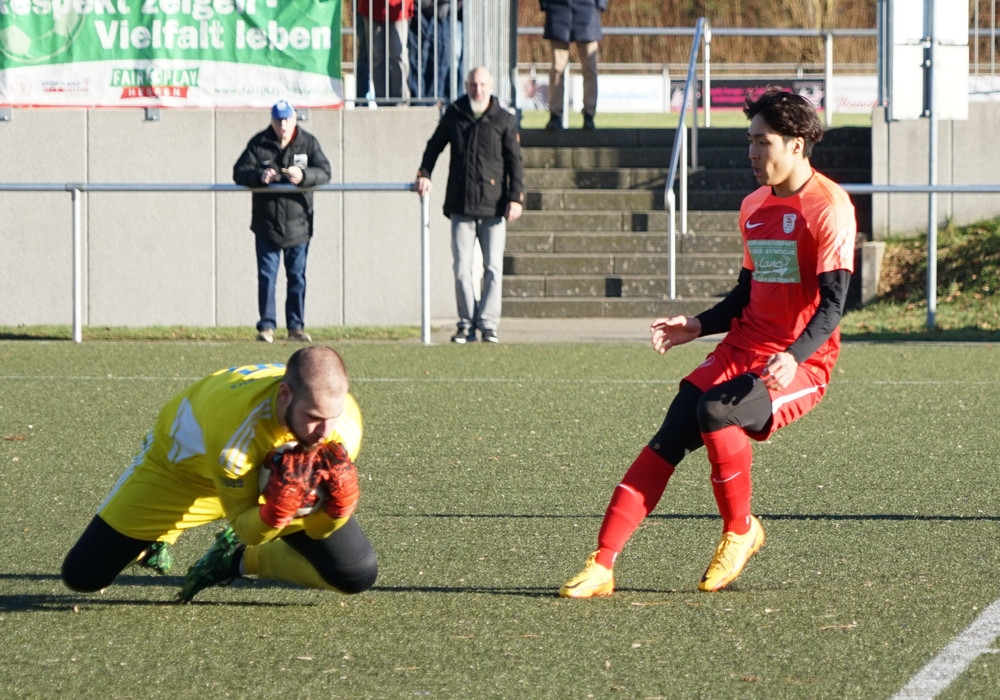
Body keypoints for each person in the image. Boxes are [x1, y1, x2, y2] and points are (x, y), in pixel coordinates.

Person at [559, 88, 857, 597]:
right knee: (673, 430)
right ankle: (603, 563)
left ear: (796, 145)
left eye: (762, 142)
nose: (752, 153)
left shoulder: (828, 207)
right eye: (749, 141)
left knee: (717, 411)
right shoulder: (753, 206)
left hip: (801, 362)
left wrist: (793, 357)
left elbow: (833, 305)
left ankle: (740, 532)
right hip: (744, 345)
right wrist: (697, 325)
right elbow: (747, 292)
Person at [61, 346, 379, 603]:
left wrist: (338, 511)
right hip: (182, 475)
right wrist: (274, 515)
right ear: (285, 395)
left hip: (266, 480)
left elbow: (316, 528)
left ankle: (238, 560)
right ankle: (155, 537)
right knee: (84, 575)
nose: (324, 431)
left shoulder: (344, 426)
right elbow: (245, 525)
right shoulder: (234, 436)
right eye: (313, 417)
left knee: (356, 574)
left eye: (332, 416)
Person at [415, 66, 525, 344]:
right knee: (462, 269)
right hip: (461, 204)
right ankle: (466, 324)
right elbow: (434, 146)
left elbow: (515, 162)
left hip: (494, 206)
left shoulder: (504, 120)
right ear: (466, 85)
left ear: (491, 86)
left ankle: (488, 324)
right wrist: (424, 173)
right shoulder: (454, 114)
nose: (478, 90)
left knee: (493, 269)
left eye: (483, 85)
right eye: (474, 85)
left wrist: (515, 197)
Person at [233, 100, 331, 344]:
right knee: (267, 277)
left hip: (299, 225)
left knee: (297, 277)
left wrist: (303, 175)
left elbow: (325, 172)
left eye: (287, 119)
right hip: (266, 225)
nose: (283, 125)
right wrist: (259, 176)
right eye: (278, 120)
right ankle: (267, 326)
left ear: (295, 119)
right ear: (272, 120)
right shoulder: (259, 143)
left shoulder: (308, 142)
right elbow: (239, 172)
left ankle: (296, 327)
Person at [540, 0, 607, 130]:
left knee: (589, 68)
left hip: (587, 11)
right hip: (558, 10)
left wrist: (599, 6)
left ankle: (589, 114)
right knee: (557, 68)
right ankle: (555, 115)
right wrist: (547, 4)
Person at [355, 0, 415, 104]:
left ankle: (401, 99)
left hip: (398, 9)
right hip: (372, 8)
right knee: (376, 56)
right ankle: (381, 100)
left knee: (399, 54)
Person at [408, 0, 463, 103]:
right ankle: (418, 101)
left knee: (441, 59)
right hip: (420, 10)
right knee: (417, 58)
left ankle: (435, 99)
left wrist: (451, 6)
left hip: (443, 13)